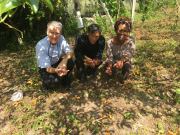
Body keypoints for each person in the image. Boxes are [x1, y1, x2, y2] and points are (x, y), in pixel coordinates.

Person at [36, 21, 75, 91]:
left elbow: (70, 52)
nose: (54, 36)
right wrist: (57, 71)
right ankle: (46, 85)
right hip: (45, 67)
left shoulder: (61, 38)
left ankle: (65, 83)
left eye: (57, 33)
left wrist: (64, 60)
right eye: (51, 32)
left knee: (71, 61)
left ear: (60, 34)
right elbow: (48, 68)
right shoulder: (41, 45)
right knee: (53, 82)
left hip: (57, 62)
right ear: (47, 32)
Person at [105, 17, 136, 88]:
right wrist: (109, 67)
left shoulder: (131, 41)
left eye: (125, 31)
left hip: (124, 60)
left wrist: (121, 61)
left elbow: (129, 54)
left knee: (127, 66)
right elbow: (110, 57)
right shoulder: (109, 42)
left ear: (128, 32)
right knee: (110, 73)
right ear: (116, 30)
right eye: (120, 30)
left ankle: (124, 79)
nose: (122, 33)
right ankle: (114, 75)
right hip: (113, 60)